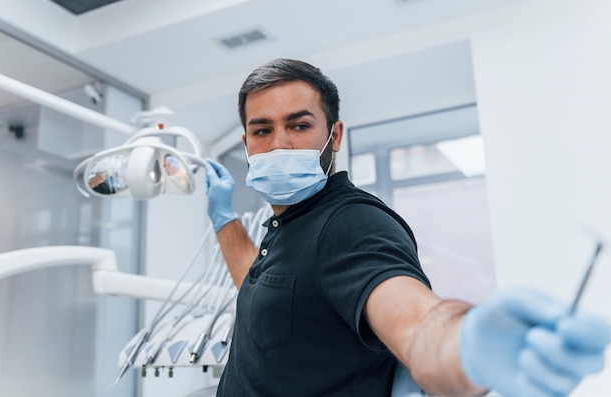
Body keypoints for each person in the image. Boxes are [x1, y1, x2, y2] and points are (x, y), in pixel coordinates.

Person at [204, 58, 611, 397]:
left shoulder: (351, 224)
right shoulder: (289, 222)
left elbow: (416, 323)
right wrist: (224, 219)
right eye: (262, 130)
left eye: (298, 125)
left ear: (335, 135)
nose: (278, 144)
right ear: (246, 143)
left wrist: (464, 346)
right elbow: (267, 289)